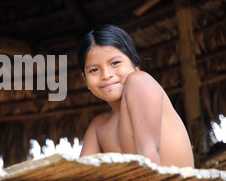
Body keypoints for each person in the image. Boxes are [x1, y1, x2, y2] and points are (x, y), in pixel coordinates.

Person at [77, 24, 194, 168]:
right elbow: (82, 177)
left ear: (135, 64)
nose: (106, 75)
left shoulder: (139, 81)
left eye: (115, 63)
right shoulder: (98, 126)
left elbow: (148, 153)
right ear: (85, 80)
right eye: (94, 70)